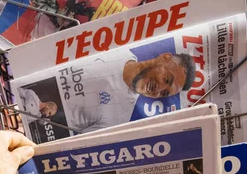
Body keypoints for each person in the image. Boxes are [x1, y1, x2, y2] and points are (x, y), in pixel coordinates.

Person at [64, 50, 196, 134]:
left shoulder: (119, 118)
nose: (158, 89)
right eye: (166, 79)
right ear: (164, 57)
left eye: (164, 94)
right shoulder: (114, 47)